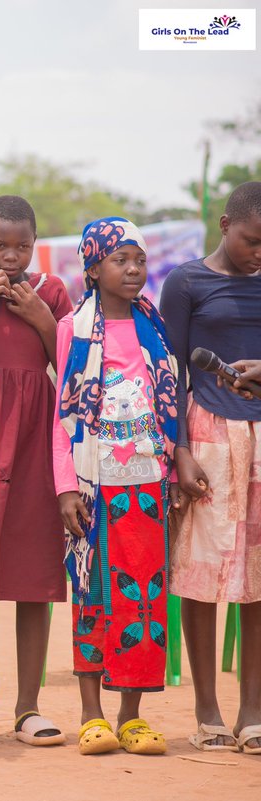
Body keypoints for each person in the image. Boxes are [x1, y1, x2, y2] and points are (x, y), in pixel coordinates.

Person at [54, 216, 180, 756]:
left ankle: (132, 716)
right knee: (92, 594)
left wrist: (174, 470)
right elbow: (61, 417)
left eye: (139, 260)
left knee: (144, 597)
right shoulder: (72, 328)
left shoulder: (156, 326)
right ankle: (92, 714)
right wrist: (65, 487)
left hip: (148, 487)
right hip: (93, 485)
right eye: (119, 260)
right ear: (93, 267)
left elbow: (171, 404)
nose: (133, 270)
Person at [0, 196, 72, 746]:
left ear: (34, 245)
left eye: (22, 246)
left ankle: (28, 707)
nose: (10, 256)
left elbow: (69, 368)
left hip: (33, 438)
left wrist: (42, 318)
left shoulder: (51, 292)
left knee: (31, 570)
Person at [160, 181, 261, 755]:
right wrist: (179, 451)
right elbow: (169, 373)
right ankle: (207, 711)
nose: (259, 254)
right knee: (200, 574)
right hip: (207, 437)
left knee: (259, 578)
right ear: (225, 226)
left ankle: (253, 711)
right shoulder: (187, 283)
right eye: (252, 240)